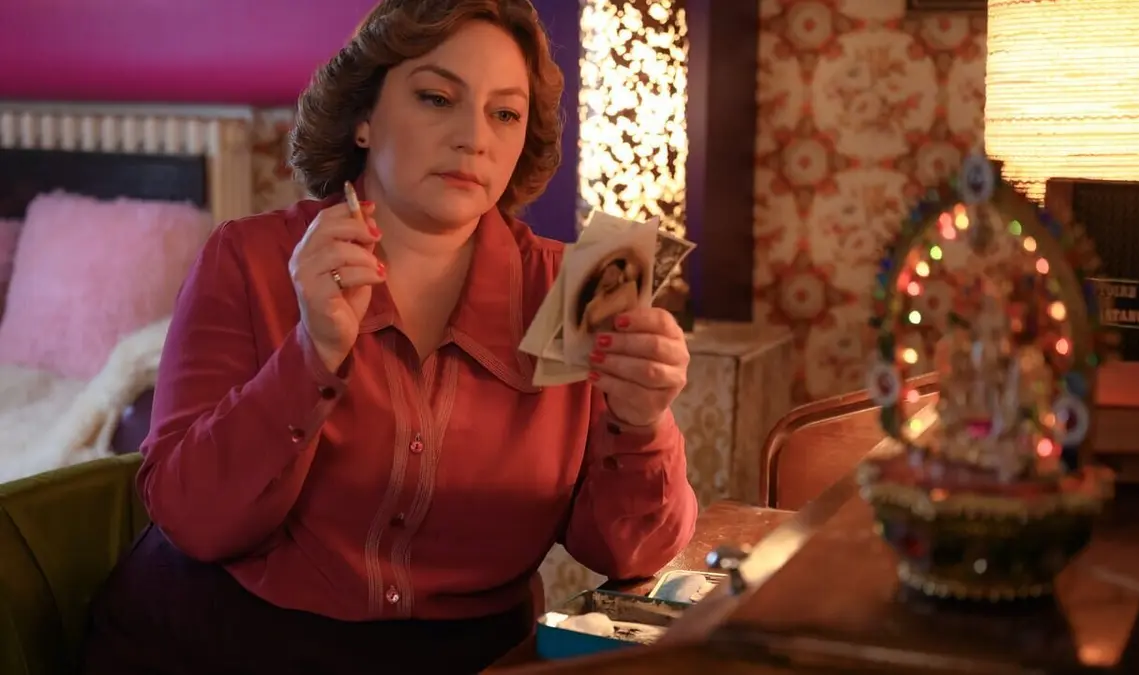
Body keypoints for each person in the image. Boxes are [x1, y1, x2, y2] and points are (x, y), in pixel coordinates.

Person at [80, 0, 697, 673]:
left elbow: (630, 554)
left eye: (504, 113)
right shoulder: (248, 260)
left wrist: (642, 423)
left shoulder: (577, 288)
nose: (474, 138)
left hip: (472, 656)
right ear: (364, 117)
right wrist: (311, 355)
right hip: (221, 642)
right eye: (437, 98)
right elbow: (193, 518)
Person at [580, 252, 644, 333]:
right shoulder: (598, 299)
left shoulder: (629, 289)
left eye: (612, 273)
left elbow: (595, 318)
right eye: (605, 273)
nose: (606, 277)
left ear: (621, 276)